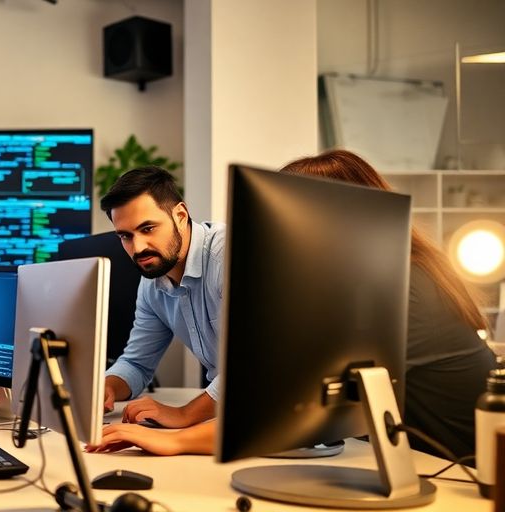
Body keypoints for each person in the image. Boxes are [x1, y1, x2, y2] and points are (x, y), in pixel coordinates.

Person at [87, 149, 496, 461]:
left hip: (465, 473)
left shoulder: (394, 291)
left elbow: (279, 401)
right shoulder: (360, 284)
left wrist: (175, 437)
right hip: (409, 459)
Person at [97, 166, 226, 429]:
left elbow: (251, 369)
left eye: (148, 228)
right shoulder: (152, 283)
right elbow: (136, 363)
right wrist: (106, 387)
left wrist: (183, 415)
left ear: (180, 215)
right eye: (126, 236)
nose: (138, 247)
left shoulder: (227, 256)